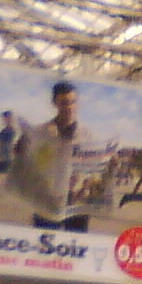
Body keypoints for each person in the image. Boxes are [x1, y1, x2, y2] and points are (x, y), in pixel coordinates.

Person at [26, 80, 91, 233]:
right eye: (64, 103)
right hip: (48, 201)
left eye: (73, 102)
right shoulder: (41, 132)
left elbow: (91, 167)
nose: (70, 107)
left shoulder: (86, 133)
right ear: (55, 103)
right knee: (45, 245)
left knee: (75, 246)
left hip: (77, 203)